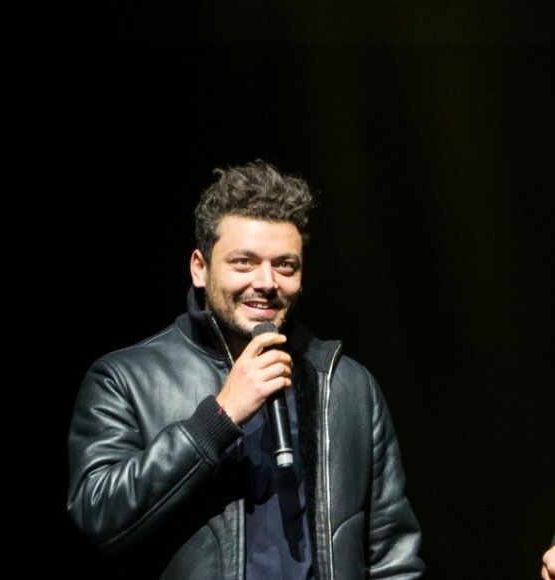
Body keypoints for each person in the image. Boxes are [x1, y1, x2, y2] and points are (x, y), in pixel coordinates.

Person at [67, 159, 426, 579]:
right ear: (199, 268)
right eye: (244, 262)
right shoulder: (126, 378)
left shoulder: (347, 386)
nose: (267, 281)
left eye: (285, 265)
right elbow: (99, 516)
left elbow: (393, 557)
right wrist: (218, 419)